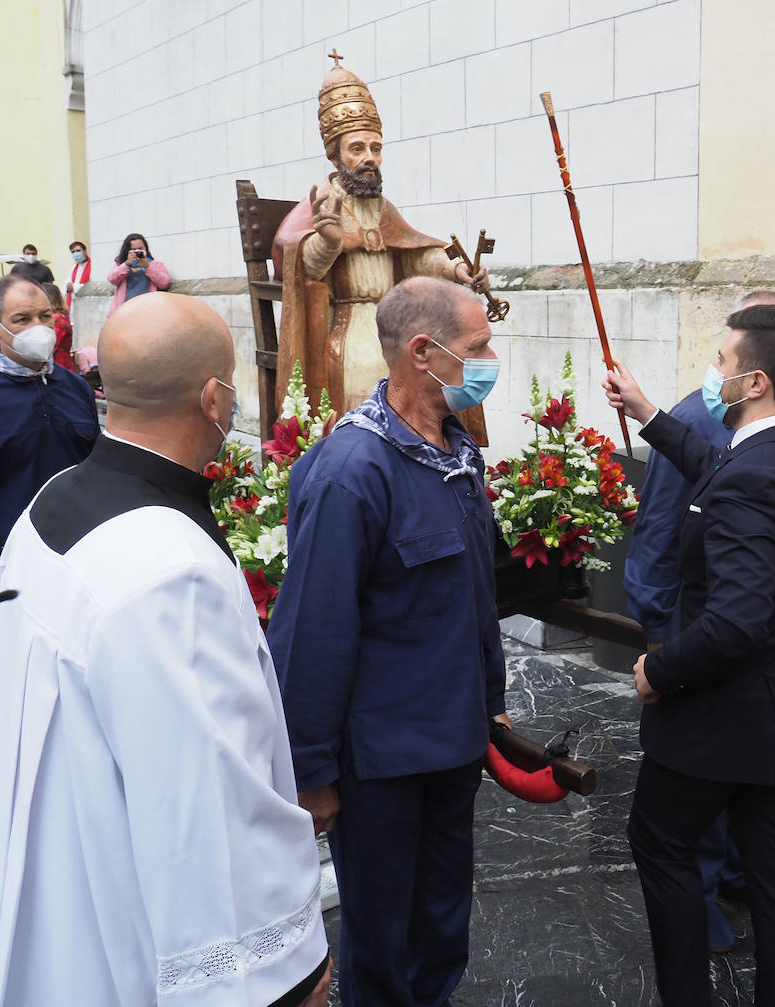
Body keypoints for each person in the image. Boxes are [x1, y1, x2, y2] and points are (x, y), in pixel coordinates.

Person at [0, 292, 331, 1007]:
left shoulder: (50, 501)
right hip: (125, 946)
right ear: (214, 398)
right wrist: (288, 972)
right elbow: (204, 806)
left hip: (55, 908)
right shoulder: (169, 570)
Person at [268, 276, 511, 1006]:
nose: (491, 358)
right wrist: (311, 772)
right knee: (384, 945)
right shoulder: (353, 471)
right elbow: (312, 633)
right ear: (423, 351)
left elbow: (471, 601)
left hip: (452, 746)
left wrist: (491, 707)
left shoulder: (452, 450)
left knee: (441, 927)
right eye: (478, 347)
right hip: (382, 766)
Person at [604, 304, 775, 1006]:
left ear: (755, 381)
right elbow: (717, 469)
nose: (715, 374)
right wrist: (647, 412)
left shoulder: (751, 476)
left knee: (660, 839)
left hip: (722, 716)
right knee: (772, 862)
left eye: (724, 362)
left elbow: (736, 622)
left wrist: (658, 670)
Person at [272, 52, 491, 442]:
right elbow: (301, 268)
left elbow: (415, 253)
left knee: (442, 360)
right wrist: (327, 242)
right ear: (334, 154)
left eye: (376, 148)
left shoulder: (383, 208)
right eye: (357, 148)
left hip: (397, 319)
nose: (369, 158)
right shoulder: (321, 206)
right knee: (372, 364)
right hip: (346, 324)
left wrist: (457, 270)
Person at [0, 275, 99, 654]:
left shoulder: (75, 388)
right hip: (9, 572)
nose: (38, 328)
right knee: (20, 680)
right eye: (22, 319)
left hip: (81, 562)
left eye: (44, 316)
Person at [107, 232, 171, 315]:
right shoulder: (121, 265)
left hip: (147, 311)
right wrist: (126, 264)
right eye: (134, 249)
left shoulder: (155, 265)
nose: (137, 251)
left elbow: (164, 283)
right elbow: (112, 279)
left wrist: (148, 267)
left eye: (140, 248)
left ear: (146, 249)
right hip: (124, 312)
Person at [42, 282, 75, 371]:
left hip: (58, 365)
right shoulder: (62, 316)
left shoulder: (56, 319)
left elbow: (52, 345)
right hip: (63, 363)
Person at [65, 238, 91, 312]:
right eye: (73, 252)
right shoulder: (74, 268)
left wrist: (74, 287)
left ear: (85, 251)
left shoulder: (93, 266)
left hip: (87, 304)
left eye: (78, 251)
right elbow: (67, 284)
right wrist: (68, 286)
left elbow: (91, 286)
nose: (75, 254)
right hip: (74, 304)